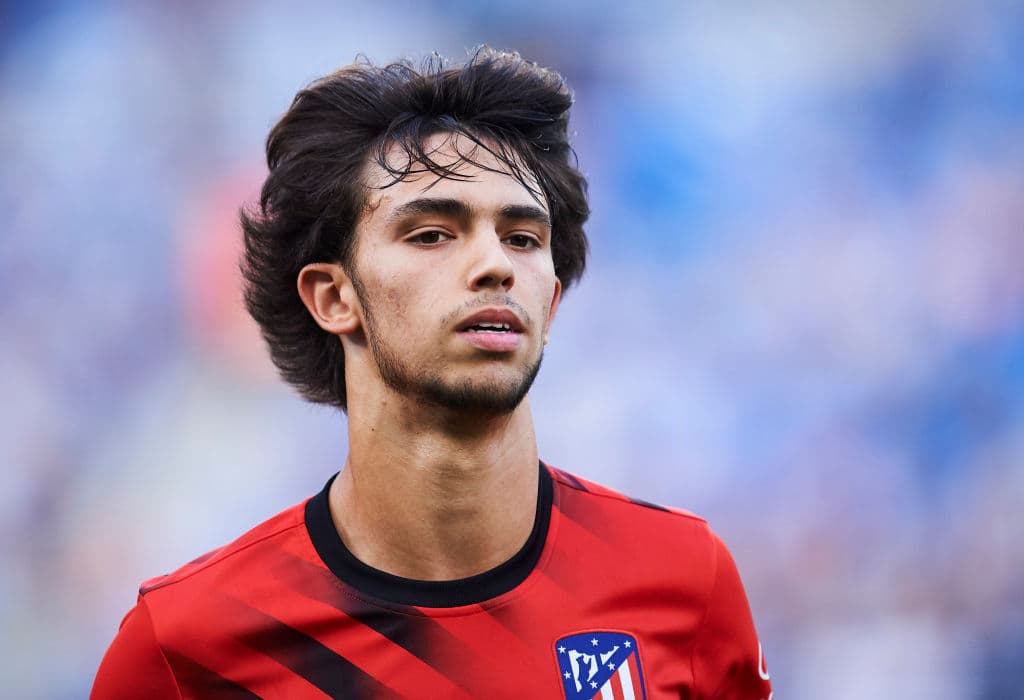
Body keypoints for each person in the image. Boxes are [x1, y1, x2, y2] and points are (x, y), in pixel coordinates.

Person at [91, 47, 773, 700]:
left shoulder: (684, 583)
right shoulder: (187, 649)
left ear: (552, 299)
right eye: (432, 234)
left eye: (523, 238)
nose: (495, 265)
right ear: (334, 298)